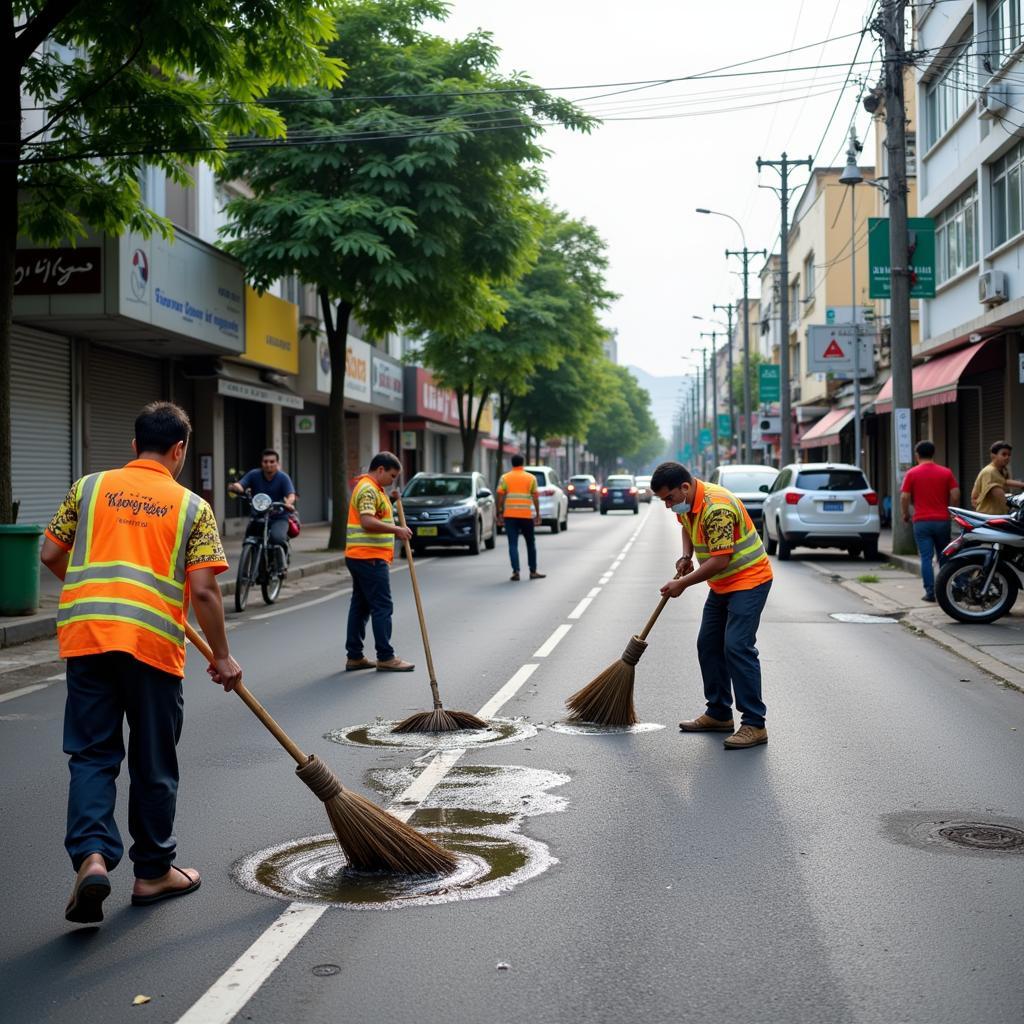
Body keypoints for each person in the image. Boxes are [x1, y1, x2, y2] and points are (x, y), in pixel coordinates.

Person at [40, 402, 242, 926]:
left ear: (134, 446)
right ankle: (153, 873)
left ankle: (91, 857)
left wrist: (92, 592)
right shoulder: (192, 507)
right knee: (153, 762)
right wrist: (221, 656)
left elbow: (49, 553)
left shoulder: (88, 488)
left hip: (87, 638)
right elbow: (203, 590)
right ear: (179, 451)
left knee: (91, 755)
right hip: (152, 647)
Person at [651, 461, 773, 750]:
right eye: (663, 501)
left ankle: (755, 724)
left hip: (749, 580)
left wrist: (683, 583)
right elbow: (686, 526)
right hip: (723, 584)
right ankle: (719, 713)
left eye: (669, 499)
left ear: (685, 487)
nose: (668, 506)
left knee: (736, 646)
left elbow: (720, 560)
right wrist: (686, 555)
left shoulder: (715, 508)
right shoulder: (689, 502)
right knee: (708, 644)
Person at [344, 452, 416, 672]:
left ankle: (355, 656)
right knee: (382, 606)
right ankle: (386, 656)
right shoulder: (368, 488)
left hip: (362, 556)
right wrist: (397, 530)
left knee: (361, 606)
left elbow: (377, 513)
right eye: (392, 476)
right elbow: (367, 521)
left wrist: (392, 500)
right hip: (369, 558)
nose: (392, 480)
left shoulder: (374, 489)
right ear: (381, 469)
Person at [900, 440, 960, 603]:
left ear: (917, 455)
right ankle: (948, 589)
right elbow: (955, 494)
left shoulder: (912, 473)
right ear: (933, 453)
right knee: (944, 557)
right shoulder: (946, 472)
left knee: (926, 558)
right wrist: (952, 512)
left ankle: (930, 593)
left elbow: (904, 496)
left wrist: (905, 514)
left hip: (922, 521)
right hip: (942, 521)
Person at [228, 449, 297, 571]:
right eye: (266, 461)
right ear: (262, 463)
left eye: (272, 461)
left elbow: (291, 495)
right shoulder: (254, 474)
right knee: (248, 539)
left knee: (277, 538)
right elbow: (241, 484)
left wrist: (289, 503)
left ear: (277, 463)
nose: (268, 464)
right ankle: (249, 564)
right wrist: (235, 487)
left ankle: (281, 563)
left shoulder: (283, 477)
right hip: (258, 516)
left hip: (278, 517)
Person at [496, 454, 546, 582]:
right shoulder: (531, 478)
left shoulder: (505, 478)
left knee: (513, 544)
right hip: (525, 516)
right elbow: (535, 497)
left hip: (510, 516)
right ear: (522, 463)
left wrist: (499, 512)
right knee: (530, 543)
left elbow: (500, 495)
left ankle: (516, 572)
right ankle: (533, 571)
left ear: (512, 464)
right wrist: (538, 514)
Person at [971, 440, 1024, 515]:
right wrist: (1010, 507)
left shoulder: (1002, 470)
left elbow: (1004, 481)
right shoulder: (989, 472)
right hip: (989, 515)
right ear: (993, 455)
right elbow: (997, 492)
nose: (1007, 457)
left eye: (1009, 455)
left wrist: (1021, 484)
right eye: (1004, 454)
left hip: (998, 514)